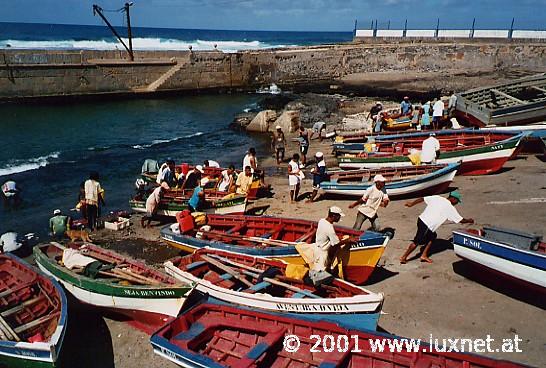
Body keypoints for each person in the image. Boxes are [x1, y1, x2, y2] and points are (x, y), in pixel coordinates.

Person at [400, 191, 474, 264]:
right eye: (457, 201)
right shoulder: (450, 207)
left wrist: (412, 204)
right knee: (417, 241)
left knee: (432, 236)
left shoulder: (437, 198)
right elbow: (461, 220)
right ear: (453, 199)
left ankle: (423, 255)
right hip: (427, 225)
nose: (457, 203)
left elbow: (423, 198)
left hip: (421, 220)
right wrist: (469, 220)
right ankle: (404, 257)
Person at [309, 207, 354, 277]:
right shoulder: (329, 228)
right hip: (322, 253)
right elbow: (335, 244)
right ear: (334, 216)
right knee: (319, 276)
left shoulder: (322, 221)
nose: (339, 218)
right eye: (339, 216)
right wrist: (348, 240)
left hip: (317, 248)